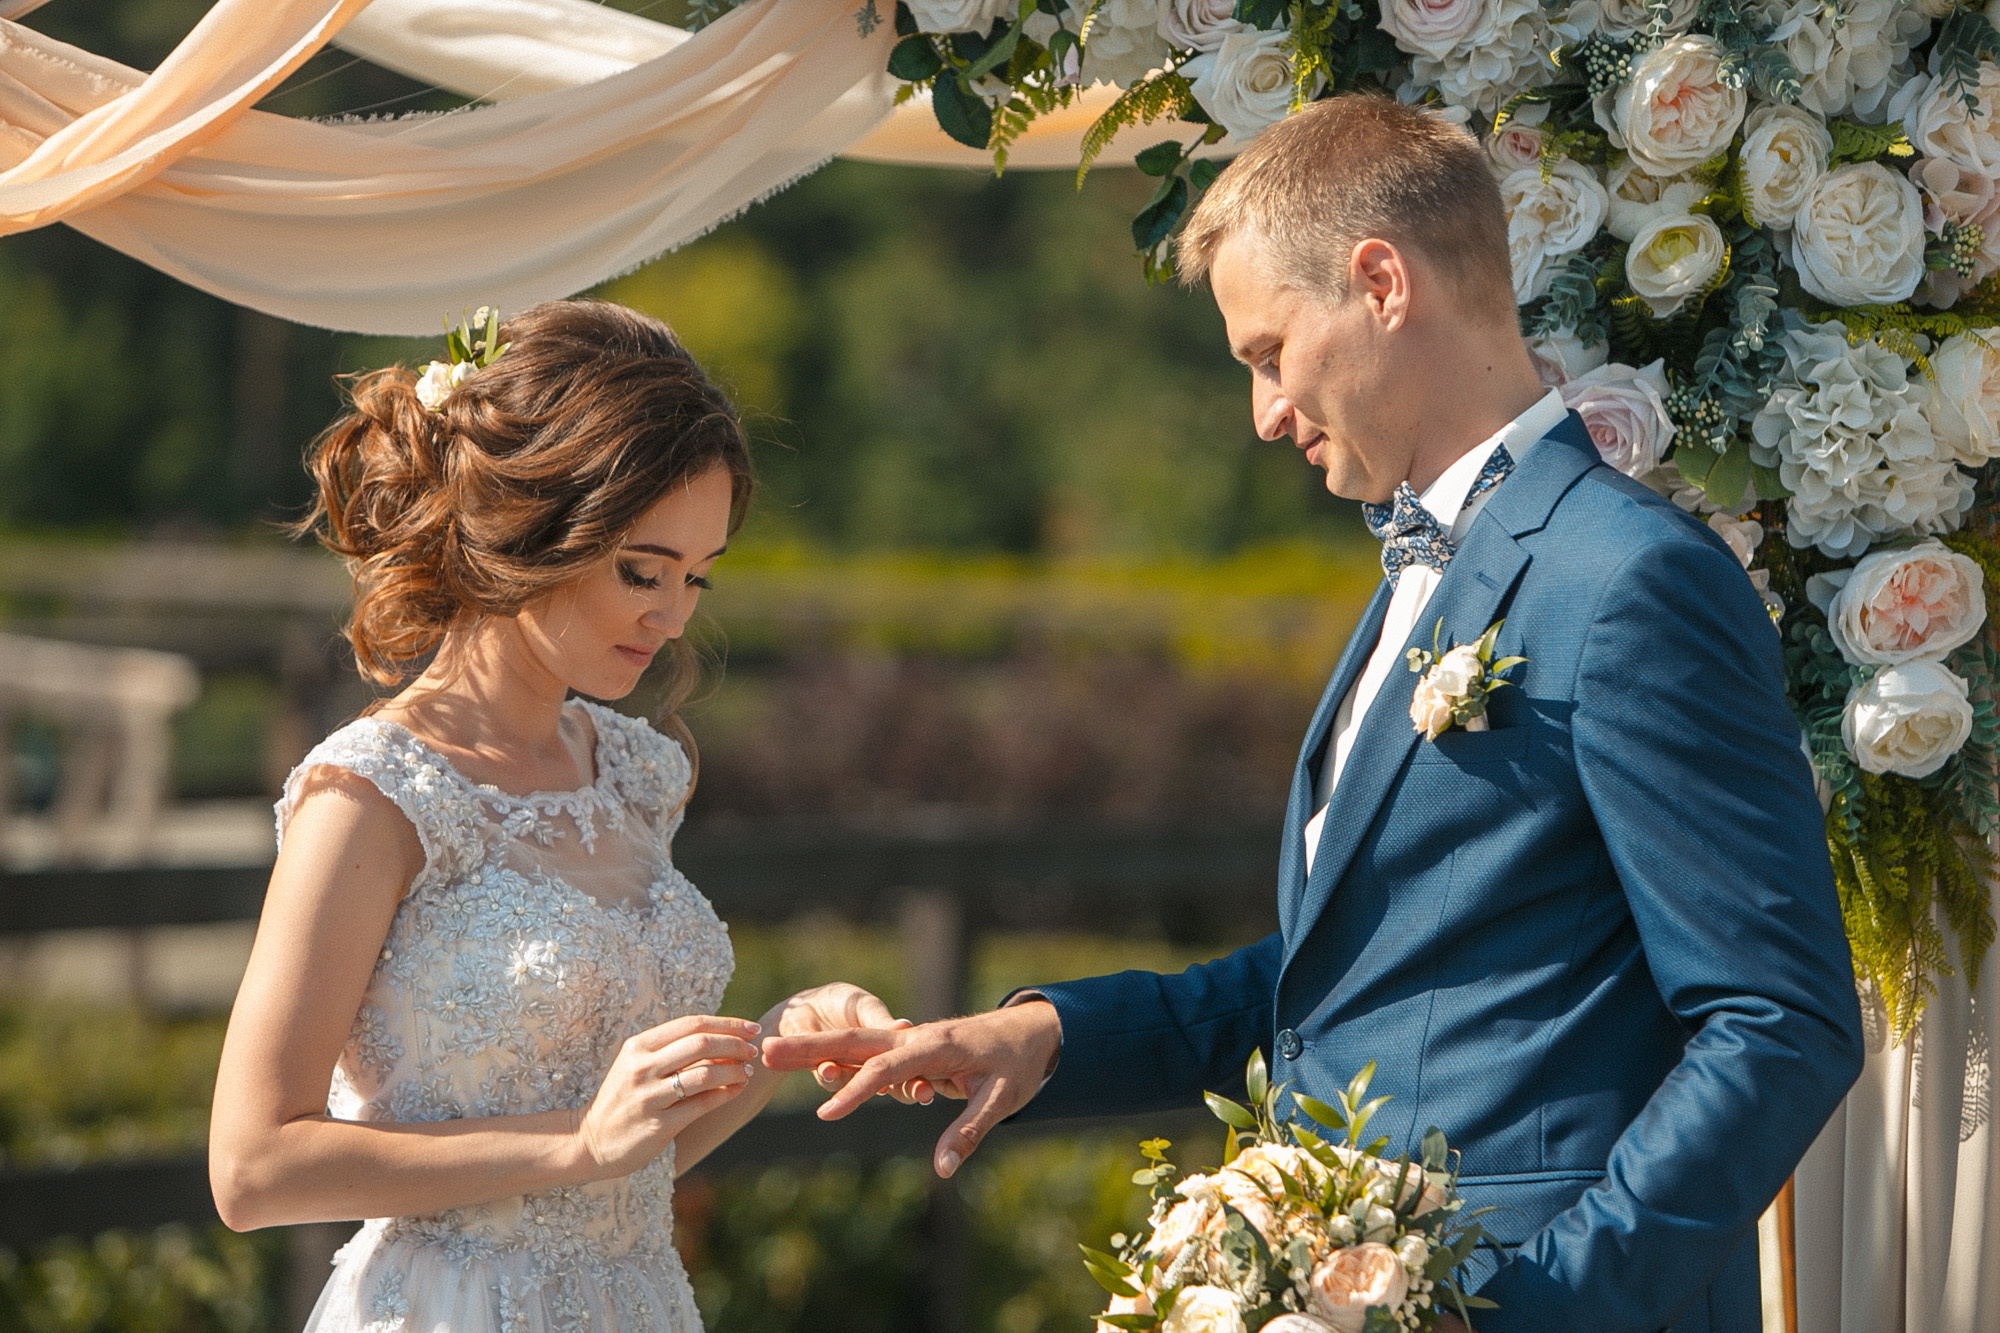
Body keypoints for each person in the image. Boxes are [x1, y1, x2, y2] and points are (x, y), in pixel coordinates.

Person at [763, 96, 1867, 1332]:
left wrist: (1536, 1305)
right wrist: (1044, 1035)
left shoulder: (1626, 579)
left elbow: (1778, 1021)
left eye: (1265, 352)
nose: (1264, 413)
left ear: (1380, 282)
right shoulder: (1417, 573)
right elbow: (1344, 982)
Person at [209, 300, 896, 1333]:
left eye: (697, 577)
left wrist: (777, 1042)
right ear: (532, 525)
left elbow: (624, 1161)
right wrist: (575, 1142)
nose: (672, 615)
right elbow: (253, 1164)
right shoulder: (374, 794)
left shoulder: (628, 772)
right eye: (641, 570)